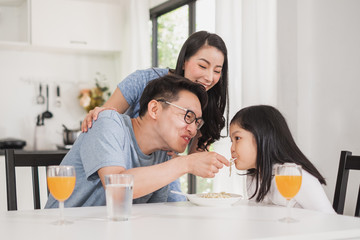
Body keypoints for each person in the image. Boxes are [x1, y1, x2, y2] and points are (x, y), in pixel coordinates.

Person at [80, 31, 229, 201]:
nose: (209, 77)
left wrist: (185, 161)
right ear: (184, 62)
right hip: (120, 165)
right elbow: (107, 118)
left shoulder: (205, 104)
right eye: (202, 66)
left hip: (160, 164)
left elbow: (194, 158)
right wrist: (100, 117)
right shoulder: (144, 81)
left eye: (217, 71)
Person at [45, 75, 229, 208]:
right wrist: (186, 163)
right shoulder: (108, 122)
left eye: (197, 122)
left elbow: (153, 216)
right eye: (188, 116)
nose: (194, 129)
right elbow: (116, 187)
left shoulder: (163, 155)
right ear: (155, 109)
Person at [229, 105, 335, 214]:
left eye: (237, 138)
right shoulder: (253, 178)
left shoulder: (292, 174)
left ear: (263, 136)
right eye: (231, 141)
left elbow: (329, 219)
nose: (232, 148)